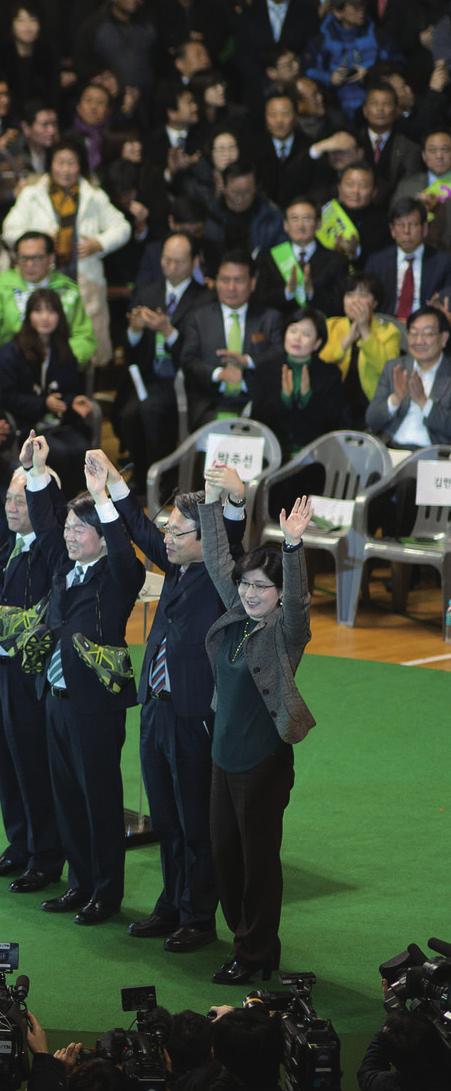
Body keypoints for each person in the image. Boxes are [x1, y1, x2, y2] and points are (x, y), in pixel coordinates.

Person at [85, 448, 246, 951]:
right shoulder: (178, 563)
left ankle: (199, 917)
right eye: (170, 530)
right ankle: (172, 905)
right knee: (167, 818)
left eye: (179, 533)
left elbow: (231, 533)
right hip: (156, 709)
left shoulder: (221, 573)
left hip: (193, 716)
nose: (168, 540)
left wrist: (235, 498)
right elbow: (140, 527)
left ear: (207, 538)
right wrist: (112, 485)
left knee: (196, 824)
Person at [19, 431, 145, 924]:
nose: (70, 535)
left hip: (94, 707)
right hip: (55, 699)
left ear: (100, 535)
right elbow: (47, 528)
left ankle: (106, 893)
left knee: (99, 800)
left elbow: (123, 551)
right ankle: (80, 883)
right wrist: (35, 472)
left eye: (80, 529)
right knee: (66, 796)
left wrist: (103, 500)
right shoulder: (64, 570)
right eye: (70, 528)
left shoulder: (118, 577)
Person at [200, 469, 315, 984]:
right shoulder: (235, 615)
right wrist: (211, 501)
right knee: (225, 857)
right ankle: (247, 938)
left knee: (258, 863)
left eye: (260, 588)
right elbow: (217, 559)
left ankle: (254, 953)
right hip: (223, 758)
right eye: (246, 584)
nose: (249, 593)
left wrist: (292, 547)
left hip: (262, 764)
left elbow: (297, 602)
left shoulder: (284, 633)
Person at [2, 137, 131, 366]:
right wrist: (38, 239)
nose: (65, 169)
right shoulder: (32, 194)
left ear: (80, 165)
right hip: (40, 279)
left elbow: (123, 227)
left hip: (83, 278)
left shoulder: (94, 195)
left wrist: (99, 243)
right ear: (51, 164)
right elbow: (9, 230)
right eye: (60, 163)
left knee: (87, 343)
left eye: (71, 163)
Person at [0, 466, 63, 894]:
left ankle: (45, 857)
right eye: (8, 498)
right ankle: (19, 842)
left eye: (21, 500)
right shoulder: (8, 544)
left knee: (33, 763)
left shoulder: (49, 550)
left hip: (31, 673)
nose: (11, 507)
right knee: (7, 761)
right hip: (3, 671)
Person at [113, 231, 211, 492]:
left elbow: (198, 351)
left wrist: (168, 332)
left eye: (178, 261)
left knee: (151, 411)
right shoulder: (148, 292)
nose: (171, 266)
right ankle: (143, 474)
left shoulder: (204, 299)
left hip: (183, 379)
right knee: (128, 413)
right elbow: (129, 346)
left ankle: (162, 483)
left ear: (194, 262)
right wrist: (134, 330)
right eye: (166, 260)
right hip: (148, 376)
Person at [0, 289, 94, 499]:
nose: (45, 317)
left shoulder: (63, 348)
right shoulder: (11, 352)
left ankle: (72, 504)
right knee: (57, 452)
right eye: (38, 311)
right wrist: (44, 404)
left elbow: (69, 389)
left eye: (51, 311)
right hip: (27, 425)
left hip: (59, 424)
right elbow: (7, 396)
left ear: (59, 316)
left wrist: (72, 401)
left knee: (81, 448)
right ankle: (53, 505)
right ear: (29, 315)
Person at [180, 249, 284, 429]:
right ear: (216, 281)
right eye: (225, 280)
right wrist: (219, 374)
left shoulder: (269, 318)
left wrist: (248, 362)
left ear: (252, 283)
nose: (231, 288)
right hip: (211, 404)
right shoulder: (198, 318)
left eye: (238, 280)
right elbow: (188, 360)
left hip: (256, 403)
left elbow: (279, 354)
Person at [0, 232, 95, 368]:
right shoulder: (2, 286)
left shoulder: (67, 289)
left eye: (37, 258)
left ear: (51, 258)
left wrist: (62, 361)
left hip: (59, 366)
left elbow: (84, 336)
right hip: (11, 366)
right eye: (23, 258)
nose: (29, 264)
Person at [321, 273, 401, 428]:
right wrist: (345, 342)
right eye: (350, 295)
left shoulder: (389, 331)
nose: (355, 301)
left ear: (375, 303)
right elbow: (321, 365)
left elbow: (388, 371)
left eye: (363, 295)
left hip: (371, 404)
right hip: (333, 403)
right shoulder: (331, 326)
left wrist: (365, 331)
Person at [366, 304, 451, 447]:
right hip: (393, 450)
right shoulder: (394, 368)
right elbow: (372, 420)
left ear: (443, 338)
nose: (419, 341)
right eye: (414, 333)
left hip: (433, 457)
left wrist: (424, 402)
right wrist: (396, 398)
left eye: (428, 334)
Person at [255, 196, 348, 316]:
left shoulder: (337, 260)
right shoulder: (268, 257)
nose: (300, 225)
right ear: (285, 225)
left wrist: (311, 292)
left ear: (318, 224)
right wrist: (287, 292)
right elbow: (260, 301)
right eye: (294, 219)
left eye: (307, 219)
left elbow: (339, 305)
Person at [274, 306, 349, 456]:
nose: (297, 338)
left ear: (317, 343)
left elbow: (334, 422)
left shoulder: (330, 374)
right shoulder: (267, 369)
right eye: (293, 331)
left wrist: (307, 398)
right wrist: (285, 400)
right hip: (274, 453)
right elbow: (260, 419)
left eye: (306, 334)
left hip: (316, 455)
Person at [365, 197, 451, 318]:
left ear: (424, 229)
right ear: (392, 230)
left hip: (425, 327)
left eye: (413, 225)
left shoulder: (443, 263)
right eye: (400, 225)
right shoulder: (377, 263)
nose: (406, 231)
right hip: (386, 327)